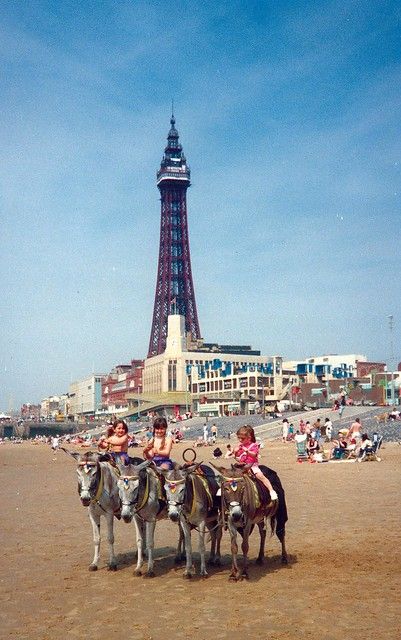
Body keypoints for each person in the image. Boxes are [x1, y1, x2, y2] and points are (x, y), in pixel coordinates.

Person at [233, 426, 278, 501]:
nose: (240, 440)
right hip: (242, 465)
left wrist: (247, 451)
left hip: (252, 465)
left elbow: (254, 455)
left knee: (260, 476)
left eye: (242, 438)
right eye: (239, 438)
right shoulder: (241, 446)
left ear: (249, 438)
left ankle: (271, 490)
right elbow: (238, 457)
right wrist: (235, 452)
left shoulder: (254, 445)